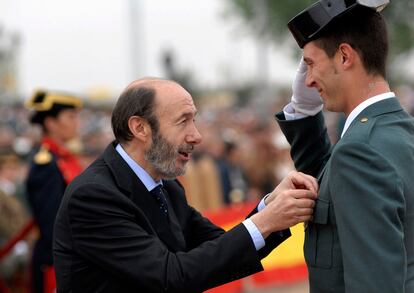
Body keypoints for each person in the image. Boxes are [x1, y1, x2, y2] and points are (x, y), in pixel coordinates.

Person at [53, 78, 318, 293]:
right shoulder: (93, 196)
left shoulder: (166, 187)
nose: (197, 136)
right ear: (140, 128)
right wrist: (265, 221)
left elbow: (219, 248)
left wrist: (270, 208)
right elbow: (170, 277)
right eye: (183, 121)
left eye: (194, 120)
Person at [275, 0, 414, 292]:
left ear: (345, 56)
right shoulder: (400, 133)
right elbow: (333, 193)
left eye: (311, 64)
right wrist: (302, 112)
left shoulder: (358, 152)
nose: (309, 80)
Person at [25, 90, 83, 293]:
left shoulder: (65, 158)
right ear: (50, 123)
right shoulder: (47, 165)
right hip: (57, 261)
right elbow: (52, 225)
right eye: (70, 117)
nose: (77, 122)